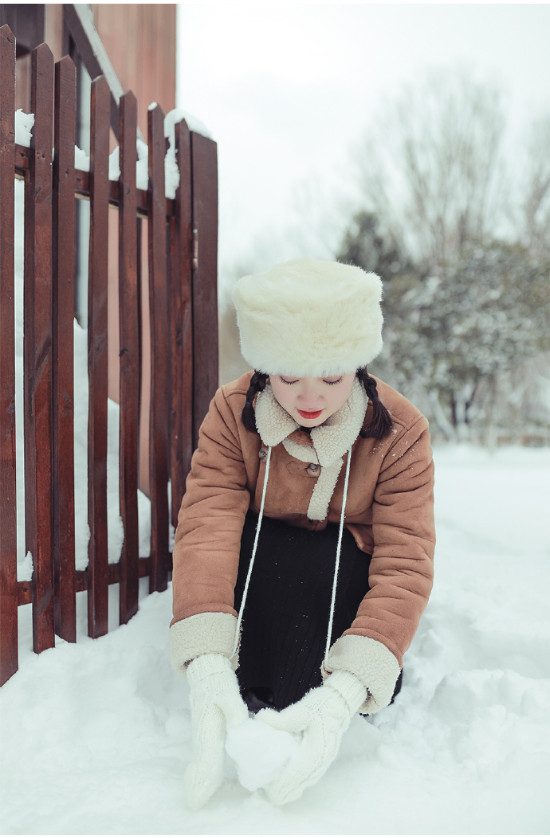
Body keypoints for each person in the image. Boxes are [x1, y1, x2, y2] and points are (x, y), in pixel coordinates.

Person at [169, 258, 435, 808]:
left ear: (357, 366)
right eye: (289, 377)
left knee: (306, 682)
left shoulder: (402, 430)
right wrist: (207, 663)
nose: (309, 398)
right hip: (260, 560)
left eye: (332, 378)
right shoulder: (231, 410)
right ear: (266, 368)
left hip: (346, 572)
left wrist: (348, 688)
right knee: (253, 680)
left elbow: (406, 557)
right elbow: (208, 523)